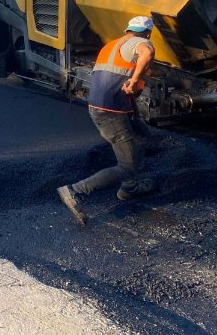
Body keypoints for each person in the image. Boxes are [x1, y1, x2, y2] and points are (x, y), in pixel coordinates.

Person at [57, 16, 157, 225]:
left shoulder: (112, 45)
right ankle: (76, 191)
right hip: (111, 112)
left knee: (142, 135)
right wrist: (136, 79)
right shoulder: (143, 43)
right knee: (126, 166)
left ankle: (129, 187)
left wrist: (133, 112)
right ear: (147, 33)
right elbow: (147, 53)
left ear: (128, 29)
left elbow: (116, 82)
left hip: (103, 107)